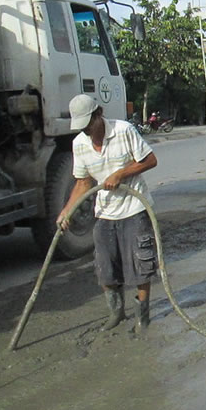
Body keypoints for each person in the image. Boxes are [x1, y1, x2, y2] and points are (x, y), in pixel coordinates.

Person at [57, 94, 158, 335]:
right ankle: (116, 312)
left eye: (88, 125)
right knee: (105, 266)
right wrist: (67, 210)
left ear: (99, 114)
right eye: (81, 128)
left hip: (134, 208)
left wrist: (121, 174)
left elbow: (150, 160)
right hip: (104, 213)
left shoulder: (124, 130)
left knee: (140, 265)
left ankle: (142, 316)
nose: (86, 132)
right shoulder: (79, 143)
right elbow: (82, 183)